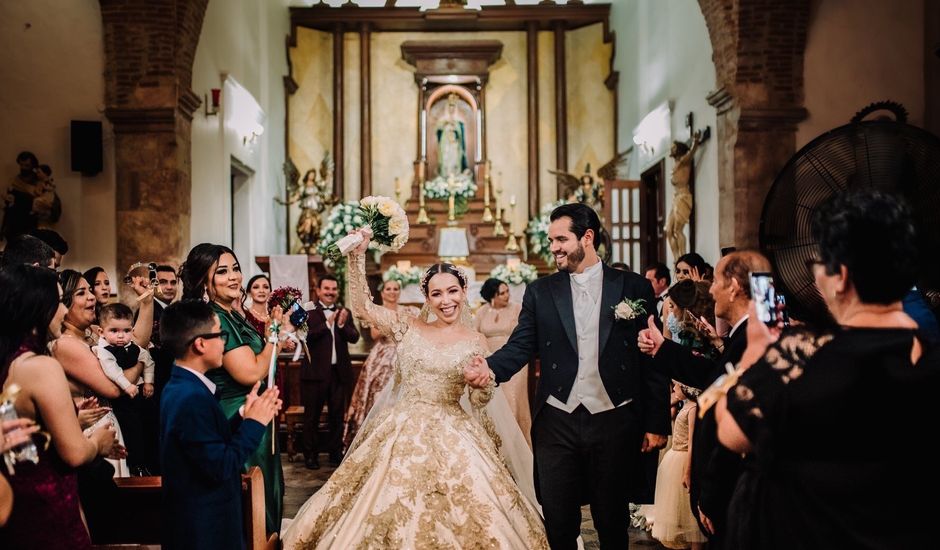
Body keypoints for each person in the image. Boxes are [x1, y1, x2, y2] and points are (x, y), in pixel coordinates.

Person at [281, 231, 547, 548]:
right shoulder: (408, 324)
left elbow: (479, 400)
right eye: (436, 294)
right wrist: (357, 257)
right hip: (402, 426)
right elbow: (364, 307)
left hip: (455, 430)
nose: (445, 300)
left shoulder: (476, 340)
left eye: (452, 291)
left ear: (464, 292)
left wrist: (483, 383)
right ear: (427, 298)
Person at [715, 190, 935, 549]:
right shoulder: (927, 353)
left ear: (841, 277)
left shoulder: (803, 360)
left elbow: (731, 431)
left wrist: (756, 351)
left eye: (816, 265)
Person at [465, 202, 670, 549]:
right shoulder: (541, 292)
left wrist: (656, 422)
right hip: (557, 419)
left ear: (587, 237)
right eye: (551, 240)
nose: (554, 247)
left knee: (612, 521)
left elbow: (651, 360)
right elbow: (521, 345)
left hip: (614, 417)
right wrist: (489, 368)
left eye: (561, 239)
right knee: (558, 521)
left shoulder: (633, 288)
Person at [0, 263, 119, 549]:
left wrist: (65, 422)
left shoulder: (7, 362)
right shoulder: (40, 367)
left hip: (17, 498)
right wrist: (98, 443)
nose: (65, 311)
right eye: (58, 302)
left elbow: (19, 439)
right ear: (37, 308)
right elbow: (75, 454)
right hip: (47, 502)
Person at [179, 243, 285, 536]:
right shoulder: (217, 318)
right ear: (205, 282)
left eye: (236, 268)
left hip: (254, 411)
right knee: (252, 500)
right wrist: (274, 331)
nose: (234, 277)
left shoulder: (232, 312)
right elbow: (250, 371)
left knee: (266, 490)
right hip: (236, 416)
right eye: (222, 272)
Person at [159, 299, 282, 550]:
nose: (225, 342)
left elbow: (206, 443)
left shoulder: (182, 386)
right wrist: (254, 425)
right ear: (201, 344)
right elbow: (221, 466)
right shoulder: (191, 397)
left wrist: (242, 414)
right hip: (206, 528)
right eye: (220, 334)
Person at [343, 278, 419, 448]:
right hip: (383, 356)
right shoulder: (377, 311)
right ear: (383, 292)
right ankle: (378, 437)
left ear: (399, 292)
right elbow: (375, 335)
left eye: (395, 288)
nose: (392, 291)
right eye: (389, 289)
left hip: (405, 354)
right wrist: (395, 325)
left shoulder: (410, 311)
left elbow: (417, 332)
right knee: (380, 394)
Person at [302, 274, 360, 469]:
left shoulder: (345, 312)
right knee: (312, 417)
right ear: (318, 291)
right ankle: (310, 455)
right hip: (314, 374)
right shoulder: (308, 312)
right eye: (326, 289)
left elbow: (354, 338)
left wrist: (342, 325)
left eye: (334, 289)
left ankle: (335, 452)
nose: (330, 292)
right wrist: (327, 325)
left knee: (337, 415)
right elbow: (306, 338)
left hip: (338, 373)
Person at [93, 303, 155, 475]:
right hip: (120, 400)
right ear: (101, 332)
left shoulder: (134, 347)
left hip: (139, 395)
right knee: (131, 430)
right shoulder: (103, 351)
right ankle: (135, 465)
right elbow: (113, 371)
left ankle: (148, 463)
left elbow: (148, 361)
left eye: (127, 331)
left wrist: (149, 382)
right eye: (114, 331)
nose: (121, 336)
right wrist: (128, 385)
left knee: (147, 427)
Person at [473, 277, 530, 447]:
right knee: (496, 401)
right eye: (502, 293)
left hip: (515, 360)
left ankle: (516, 444)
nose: (507, 296)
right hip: (490, 359)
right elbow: (474, 333)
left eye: (507, 291)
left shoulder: (517, 309)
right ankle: (497, 443)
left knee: (512, 400)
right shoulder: (482, 312)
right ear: (492, 296)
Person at [651, 382, 706, 550]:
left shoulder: (693, 409)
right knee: (680, 516)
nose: (674, 390)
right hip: (674, 458)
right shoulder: (686, 406)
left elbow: (692, 442)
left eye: (676, 387)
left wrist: (688, 469)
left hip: (683, 460)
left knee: (690, 518)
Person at [664, 132, 705, 259]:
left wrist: (695, 142)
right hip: (676, 197)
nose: (672, 149)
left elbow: (691, 153)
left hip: (683, 196)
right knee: (668, 231)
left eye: (674, 147)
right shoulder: (677, 163)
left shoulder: (684, 161)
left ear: (679, 149)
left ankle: (683, 257)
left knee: (677, 230)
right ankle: (676, 259)